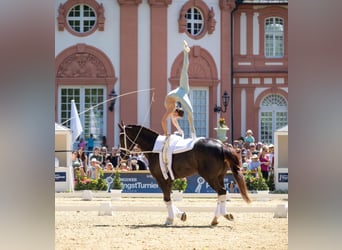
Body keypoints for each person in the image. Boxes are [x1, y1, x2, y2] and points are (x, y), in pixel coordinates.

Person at [161, 40, 196, 139]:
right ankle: (193, 135)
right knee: (190, 111)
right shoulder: (172, 108)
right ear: (176, 113)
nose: (175, 118)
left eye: (177, 117)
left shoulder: (172, 109)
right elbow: (166, 121)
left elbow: (172, 121)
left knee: (184, 69)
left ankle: (186, 52)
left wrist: (179, 130)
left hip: (182, 90)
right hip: (181, 91)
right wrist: (166, 133)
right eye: (177, 117)